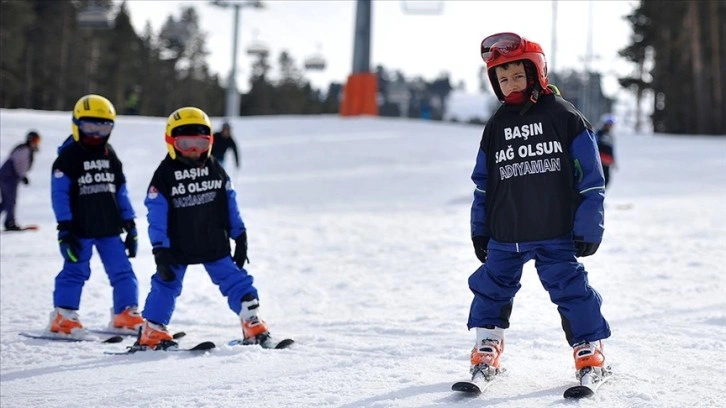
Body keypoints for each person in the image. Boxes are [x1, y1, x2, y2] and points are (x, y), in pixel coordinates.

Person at [466, 33, 610, 382]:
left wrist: (589, 225)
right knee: (491, 288)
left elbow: (591, 179)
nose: (510, 83)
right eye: (502, 78)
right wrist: (480, 228)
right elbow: (483, 185)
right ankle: (487, 345)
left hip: (554, 231)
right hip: (506, 233)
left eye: (517, 75)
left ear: (536, 73)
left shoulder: (565, 117)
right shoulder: (496, 126)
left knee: (572, 290)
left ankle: (590, 350)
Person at [136, 106, 277, 350]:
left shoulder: (215, 169)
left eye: (200, 144)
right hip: (177, 245)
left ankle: (251, 321)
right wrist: (160, 248)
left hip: (213, 242)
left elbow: (229, 203)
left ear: (210, 142)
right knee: (166, 284)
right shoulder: (164, 175)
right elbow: (156, 215)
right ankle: (153, 330)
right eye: (186, 143)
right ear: (171, 142)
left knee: (236, 280)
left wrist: (239, 235)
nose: (193, 151)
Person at [48, 94, 143, 336]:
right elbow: (59, 195)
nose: (96, 134)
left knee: (122, 271)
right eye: (89, 127)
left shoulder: (109, 154)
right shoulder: (68, 158)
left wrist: (130, 223)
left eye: (103, 127)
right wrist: (65, 228)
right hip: (80, 228)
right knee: (76, 270)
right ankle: (63, 315)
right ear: (77, 124)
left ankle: (125, 313)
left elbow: (120, 190)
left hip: (110, 227)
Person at [0, 131, 41, 230]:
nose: (37, 143)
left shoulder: (24, 149)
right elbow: (18, 164)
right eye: (35, 140)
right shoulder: (24, 149)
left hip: (8, 176)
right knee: (10, 200)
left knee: (6, 201)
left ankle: (9, 221)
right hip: (9, 177)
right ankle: (10, 222)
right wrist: (23, 176)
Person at [595, 115, 617, 189]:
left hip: (607, 160)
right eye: (609, 124)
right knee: (600, 179)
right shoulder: (599, 134)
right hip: (600, 160)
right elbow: (595, 146)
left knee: (607, 179)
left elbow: (611, 148)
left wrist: (614, 160)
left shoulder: (610, 135)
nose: (610, 126)